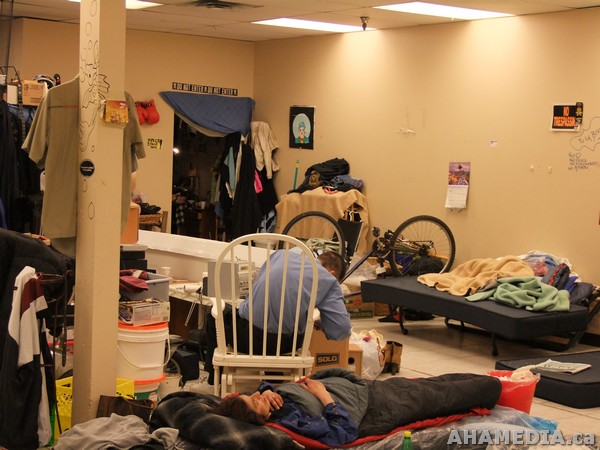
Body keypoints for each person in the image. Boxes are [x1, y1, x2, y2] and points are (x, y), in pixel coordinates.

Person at [213, 368, 502, 447]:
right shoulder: (292, 424)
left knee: (435, 383)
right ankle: (498, 386)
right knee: (481, 388)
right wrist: (324, 395)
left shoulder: (269, 402)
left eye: (253, 395)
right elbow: (342, 433)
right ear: (258, 419)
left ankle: (490, 380)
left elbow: (256, 394)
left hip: (369, 391)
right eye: (256, 402)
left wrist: (266, 390)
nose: (258, 396)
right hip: (377, 408)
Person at [204, 250, 352, 385]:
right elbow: (341, 330)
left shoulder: (281, 255)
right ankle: (275, 380)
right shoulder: (329, 280)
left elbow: (253, 295)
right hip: (286, 346)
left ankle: (213, 380)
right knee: (287, 324)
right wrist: (319, 322)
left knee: (215, 315)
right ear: (332, 273)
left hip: (246, 339)